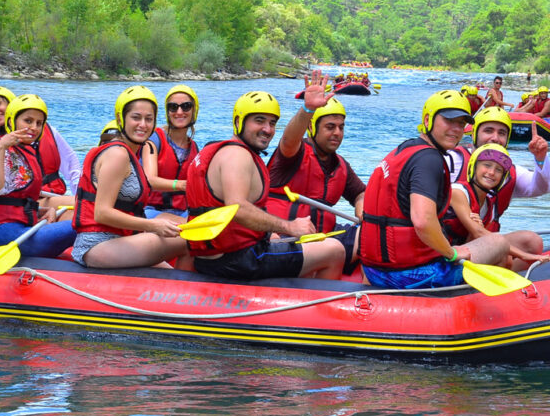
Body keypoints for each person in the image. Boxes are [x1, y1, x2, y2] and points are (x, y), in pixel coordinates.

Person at [185, 91, 346, 281]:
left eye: (272, 123)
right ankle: (316, 307)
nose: (267, 129)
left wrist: (270, 233)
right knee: (334, 250)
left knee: (280, 240)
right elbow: (237, 209)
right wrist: (290, 226)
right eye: (259, 121)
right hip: (239, 260)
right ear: (238, 122)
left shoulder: (222, 150)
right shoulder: (237, 156)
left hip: (215, 256)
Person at [358, 90, 510, 290]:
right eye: (449, 121)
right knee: (499, 243)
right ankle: (473, 313)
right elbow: (423, 221)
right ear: (428, 119)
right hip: (411, 274)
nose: (456, 129)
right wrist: (451, 253)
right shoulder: (429, 159)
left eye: (460, 123)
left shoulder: (404, 150)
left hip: (372, 269)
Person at [71, 85, 190, 269]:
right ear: (121, 118)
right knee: (189, 240)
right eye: (136, 117)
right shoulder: (117, 155)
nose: (143, 125)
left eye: (149, 119)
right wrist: (154, 226)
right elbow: (102, 213)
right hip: (98, 244)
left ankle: (184, 294)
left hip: (123, 239)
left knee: (175, 257)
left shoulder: (132, 153)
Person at [267, 70, 365, 274]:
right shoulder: (293, 153)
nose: (337, 133)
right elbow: (288, 140)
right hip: (285, 239)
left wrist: (362, 209)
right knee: (332, 248)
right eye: (330, 127)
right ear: (312, 127)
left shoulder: (340, 164)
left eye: (341, 127)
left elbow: (360, 193)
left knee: (373, 233)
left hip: (323, 238)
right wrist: (307, 109)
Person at [0, 94, 76, 257]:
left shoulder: (26, 151)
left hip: (18, 228)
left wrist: (42, 210)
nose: (34, 127)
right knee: (82, 224)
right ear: (12, 121)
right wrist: (1, 148)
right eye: (28, 121)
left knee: (82, 221)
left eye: (39, 123)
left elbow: (16, 200)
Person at [443, 143, 546, 272]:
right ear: (474, 167)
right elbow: (479, 233)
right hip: (444, 256)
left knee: (519, 248)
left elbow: (472, 239)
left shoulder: (489, 205)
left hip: (463, 251)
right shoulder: (458, 191)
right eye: (486, 165)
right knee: (499, 245)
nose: (491, 173)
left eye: (498, 170)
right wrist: (525, 255)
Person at [0, 85, 81, 215]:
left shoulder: (47, 131)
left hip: (53, 196)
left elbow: (72, 164)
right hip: (27, 204)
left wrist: (79, 193)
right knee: (84, 205)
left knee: (86, 204)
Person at [448, 106, 550, 199]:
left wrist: (541, 159)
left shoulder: (511, 173)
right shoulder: (450, 162)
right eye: (488, 131)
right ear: (474, 135)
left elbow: (540, 188)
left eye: (501, 133)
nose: (495, 138)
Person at [142, 85, 200, 220]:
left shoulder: (194, 148)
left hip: (183, 211)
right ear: (168, 112)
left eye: (186, 106)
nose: (179, 112)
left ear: (194, 110)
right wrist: (180, 185)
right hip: (151, 210)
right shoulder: (154, 139)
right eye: (173, 107)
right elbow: (149, 180)